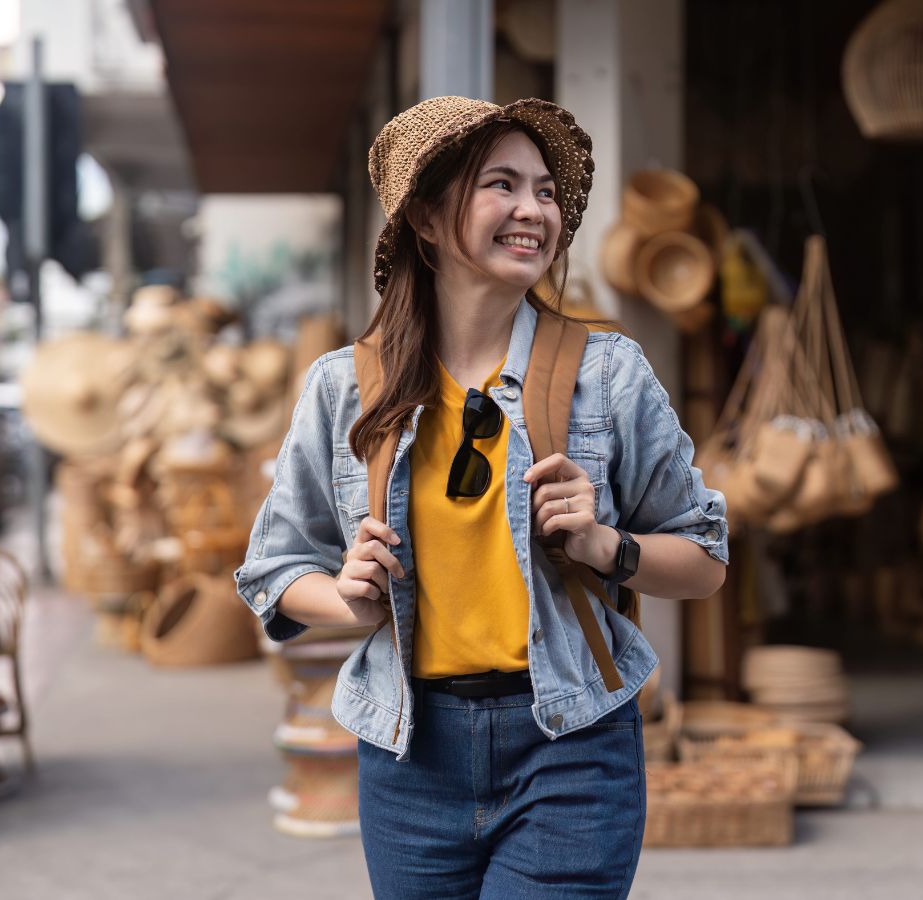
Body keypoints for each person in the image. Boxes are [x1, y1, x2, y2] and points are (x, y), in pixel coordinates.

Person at [234, 96, 730, 899]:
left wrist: (607, 545)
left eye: (543, 190)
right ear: (427, 218)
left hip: (570, 748)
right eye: (502, 184)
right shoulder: (344, 388)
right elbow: (272, 569)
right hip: (409, 758)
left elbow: (705, 561)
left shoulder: (608, 373)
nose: (534, 210)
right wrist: (347, 599)